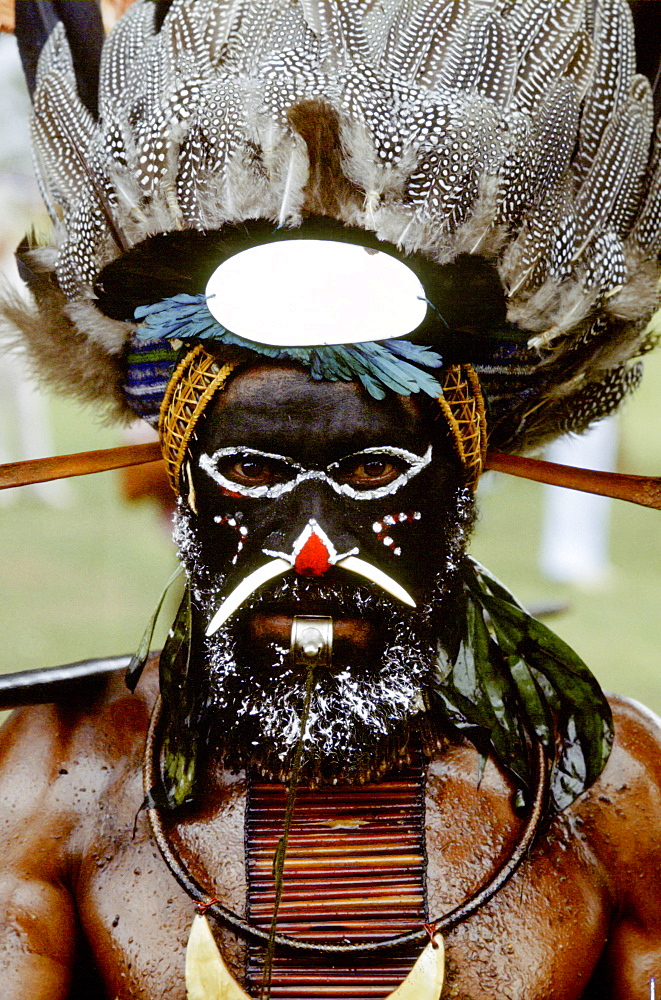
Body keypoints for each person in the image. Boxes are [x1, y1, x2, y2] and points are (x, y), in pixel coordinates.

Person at [0, 1, 660, 998]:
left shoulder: (609, 790)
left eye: (366, 476)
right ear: (183, 490)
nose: (311, 548)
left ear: (459, 492)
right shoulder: (52, 784)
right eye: (255, 475)